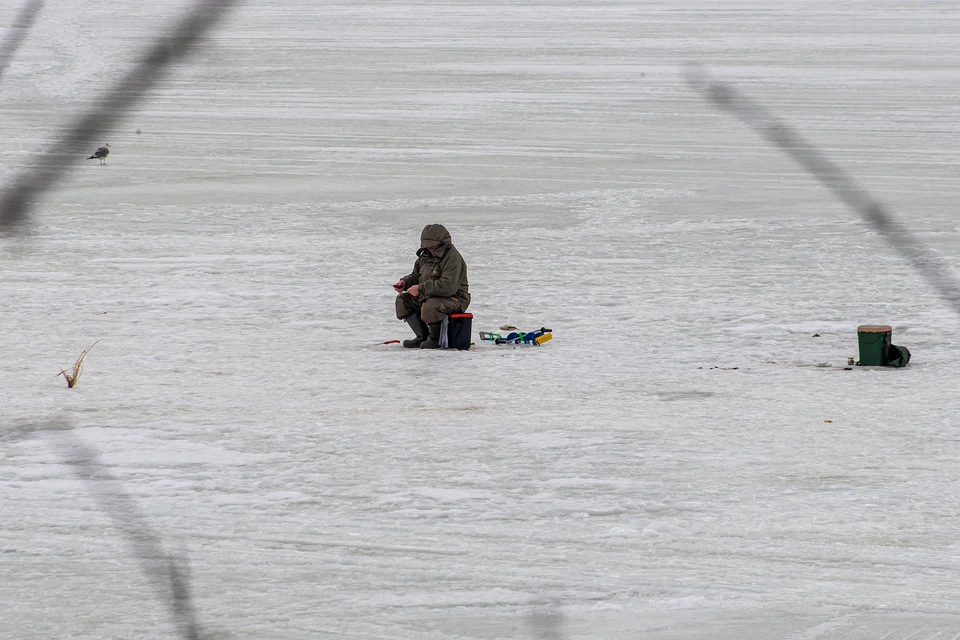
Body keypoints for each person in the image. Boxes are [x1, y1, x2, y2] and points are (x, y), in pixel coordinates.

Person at [394, 224, 470, 349]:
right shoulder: (425, 256)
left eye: (432, 245)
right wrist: (405, 283)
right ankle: (422, 336)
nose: (429, 248)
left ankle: (435, 339)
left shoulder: (453, 258)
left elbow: (448, 286)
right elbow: (415, 276)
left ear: (442, 242)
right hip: (429, 295)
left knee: (431, 305)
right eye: (427, 245)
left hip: (455, 299)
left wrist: (420, 289)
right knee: (403, 301)